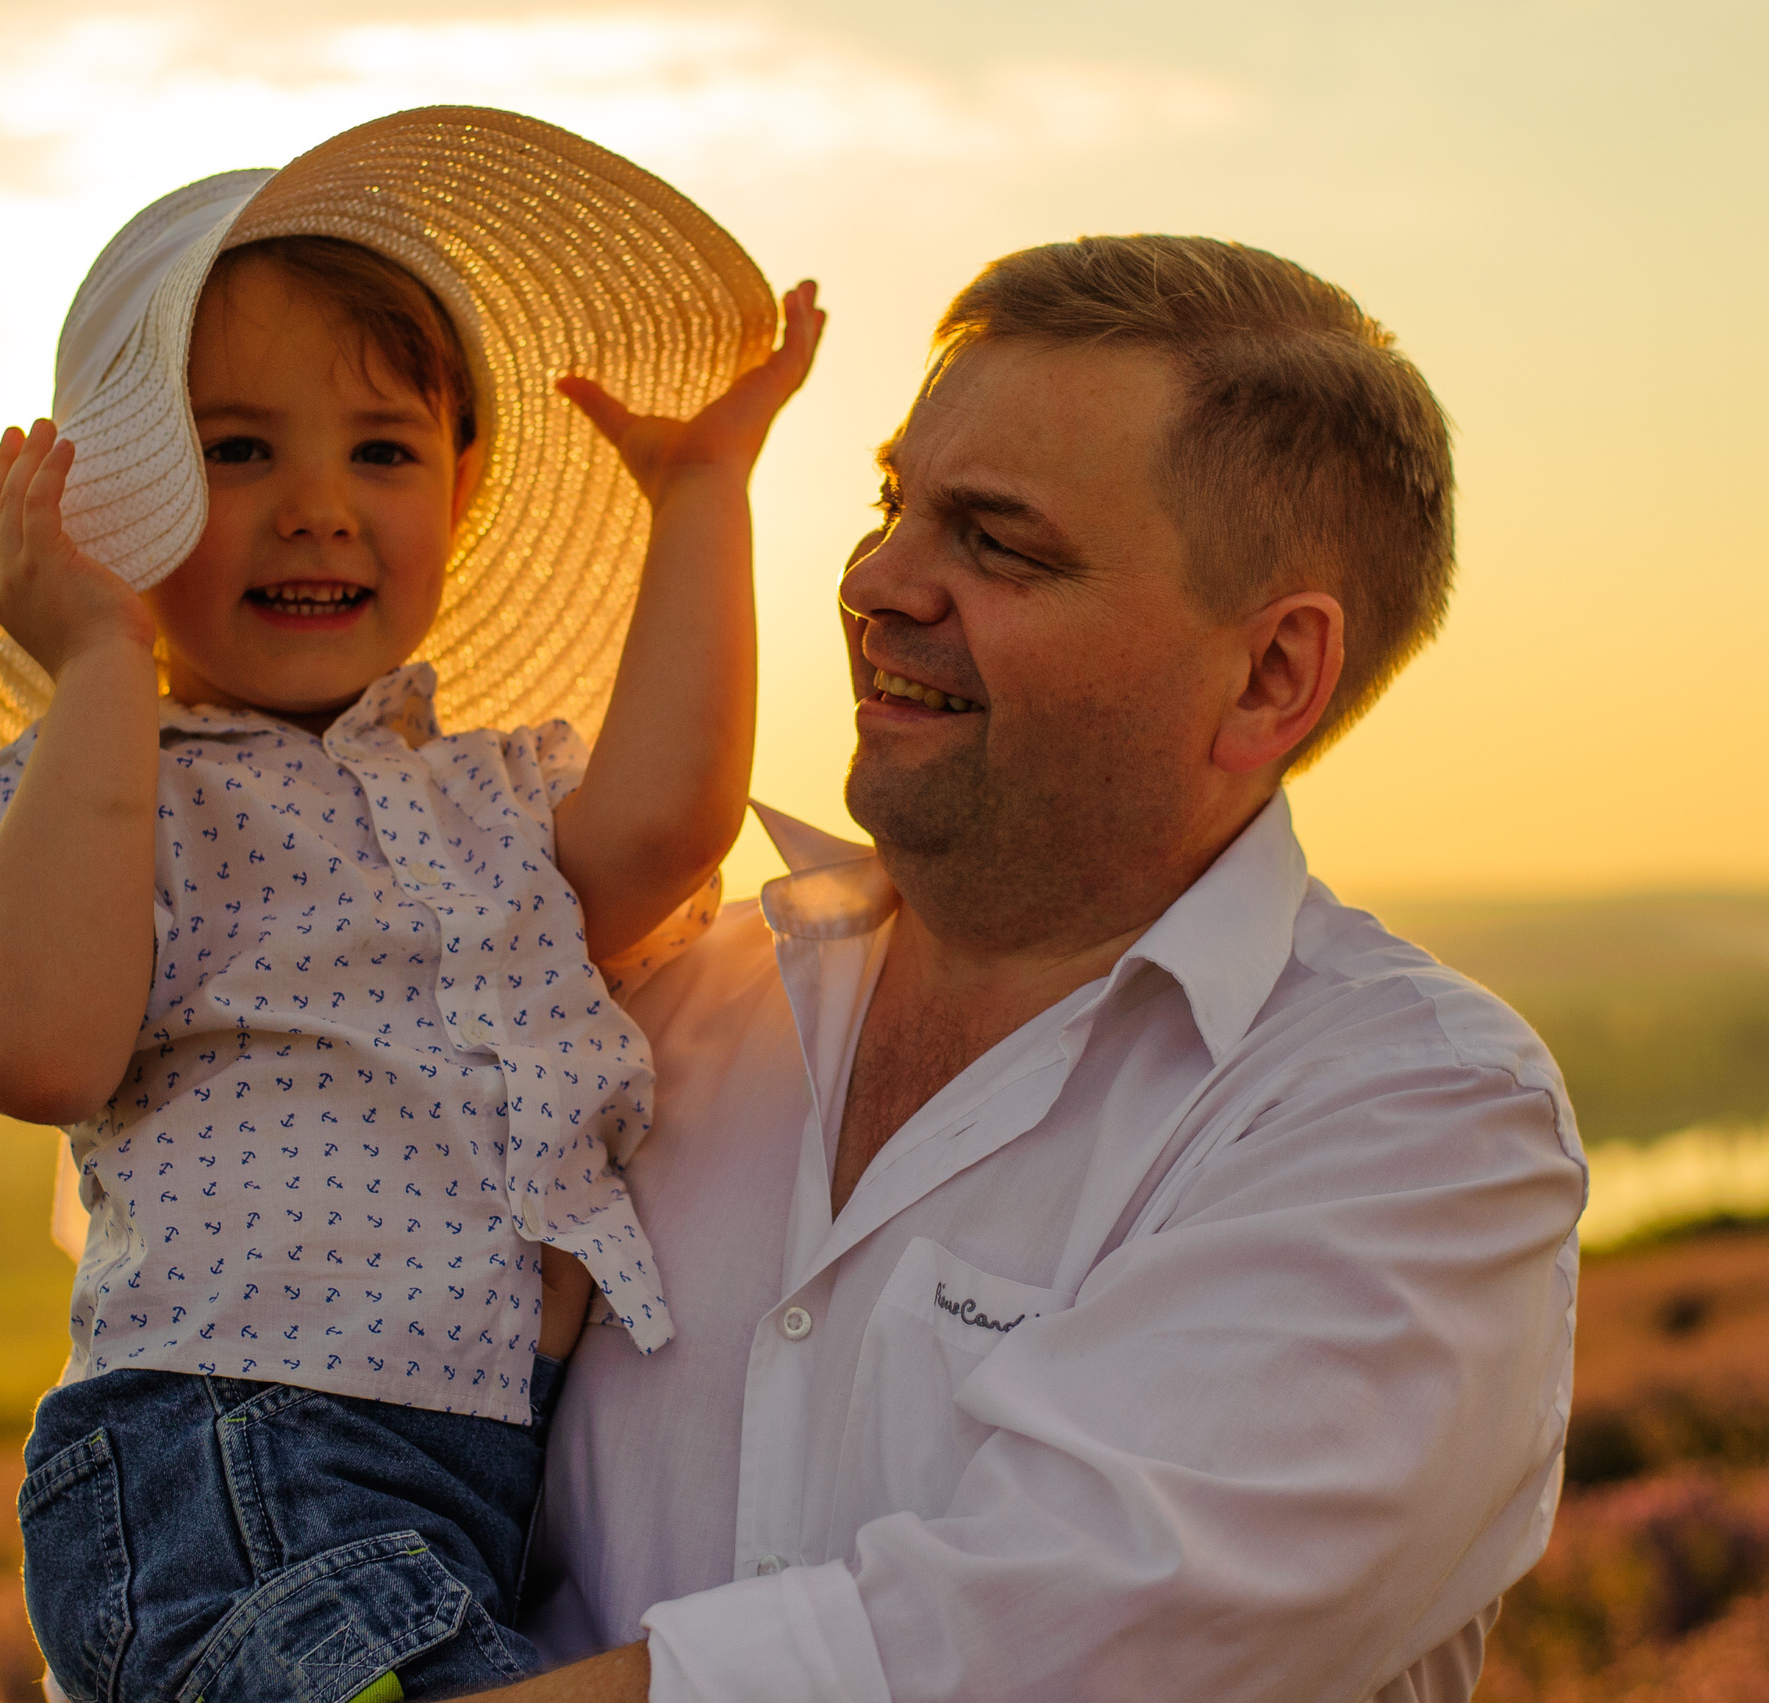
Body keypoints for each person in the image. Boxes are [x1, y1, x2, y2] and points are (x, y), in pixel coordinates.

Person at [0, 108, 822, 1703]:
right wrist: (98, 669)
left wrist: (702, 492)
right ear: (115, 517)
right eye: (234, 453)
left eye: (380, 451)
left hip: (470, 1488)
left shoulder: (492, 795)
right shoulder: (109, 790)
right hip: (231, 1456)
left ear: (463, 492)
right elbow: (32, 1051)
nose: (314, 505)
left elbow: (668, 820)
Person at [503, 236, 1586, 1703]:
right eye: (894, 501)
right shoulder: (656, 1010)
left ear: (1271, 676)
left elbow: (985, 1659)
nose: (878, 580)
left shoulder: (1418, 1124)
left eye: (997, 542)